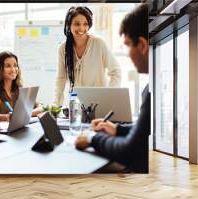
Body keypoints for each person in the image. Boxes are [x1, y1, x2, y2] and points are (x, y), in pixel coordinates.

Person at [75, 3, 150, 173]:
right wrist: (116, 128)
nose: (127, 53)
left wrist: (92, 137)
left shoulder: (151, 92)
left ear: (143, 45)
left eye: (128, 44)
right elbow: (144, 130)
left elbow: (128, 150)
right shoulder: (155, 86)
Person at [53, 6, 121, 106]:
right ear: (69, 25)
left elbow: (116, 72)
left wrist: (108, 98)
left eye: (85, 24)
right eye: (77, 24)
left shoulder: (99, 44)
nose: (82, 28)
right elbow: (61, 78)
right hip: (77, 107)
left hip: (100, 105)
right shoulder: (63, 49)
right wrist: (56, 105)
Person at [0, 51, 43, 122]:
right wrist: (7, 117)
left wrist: (20, 115)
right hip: (0, 131)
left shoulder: (21, 89)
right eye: (8, 66)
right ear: (0, 69)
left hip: (19, 129)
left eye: (15, 65)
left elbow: (40, 108)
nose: (13, 70)